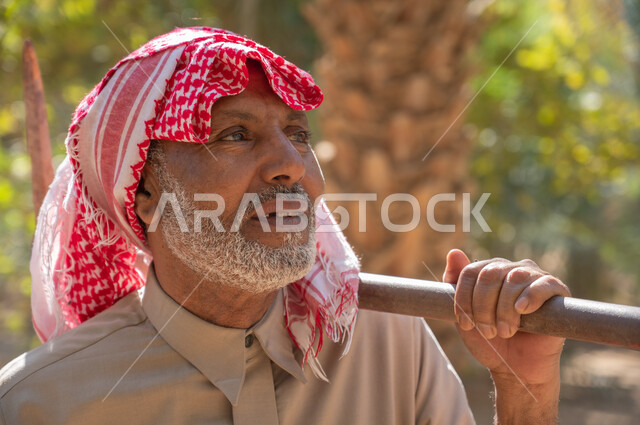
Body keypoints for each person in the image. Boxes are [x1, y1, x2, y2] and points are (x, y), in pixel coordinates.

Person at [0, 27, 570, 424]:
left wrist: (527, 393)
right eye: (235, 135)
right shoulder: (40, 406)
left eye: (297, 134)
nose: (293, 165)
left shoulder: (390, 343)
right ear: (145, 195)